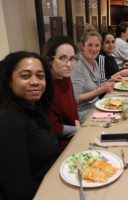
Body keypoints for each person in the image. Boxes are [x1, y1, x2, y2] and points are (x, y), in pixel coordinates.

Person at [0, 51, 58, 200]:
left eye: (40, 76)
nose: (35, 82)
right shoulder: (9, 120)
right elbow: (19, 192)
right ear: (8, 81)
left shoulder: (35, 108)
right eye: (25, 76)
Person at [42, 36, 80, 151]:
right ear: (49, 60)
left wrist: (78, 127)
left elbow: (73, 109)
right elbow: (53, 128)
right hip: (58, 144)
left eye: (72, 59)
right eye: (62, 58)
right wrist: (77, 130)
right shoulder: (44, 86)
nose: (69, 64)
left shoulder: (65, 77)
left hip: (75, 135)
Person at [71, 29, 115, 123]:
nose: (94, 49)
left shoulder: (94, 62)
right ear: (83, 46)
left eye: (97, 45)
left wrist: (110, 81)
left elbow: (97, 86)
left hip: (97, 105)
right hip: (82, 113)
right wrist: (102, 90)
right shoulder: (77, 65)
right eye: (90, 45)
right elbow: (76, 99)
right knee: (115, 119)